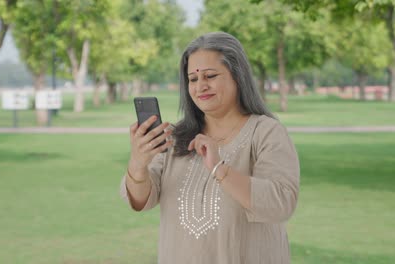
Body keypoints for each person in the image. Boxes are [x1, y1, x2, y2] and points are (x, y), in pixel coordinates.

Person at [120, 31, 300, 264]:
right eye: (193, 79)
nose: (200, 86)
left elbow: (280, 204)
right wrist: (138, 162)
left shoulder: (266, 132)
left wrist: (219, 169)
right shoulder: (175, 138)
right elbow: (141, 201)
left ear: (238, 76)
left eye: (210, 75)